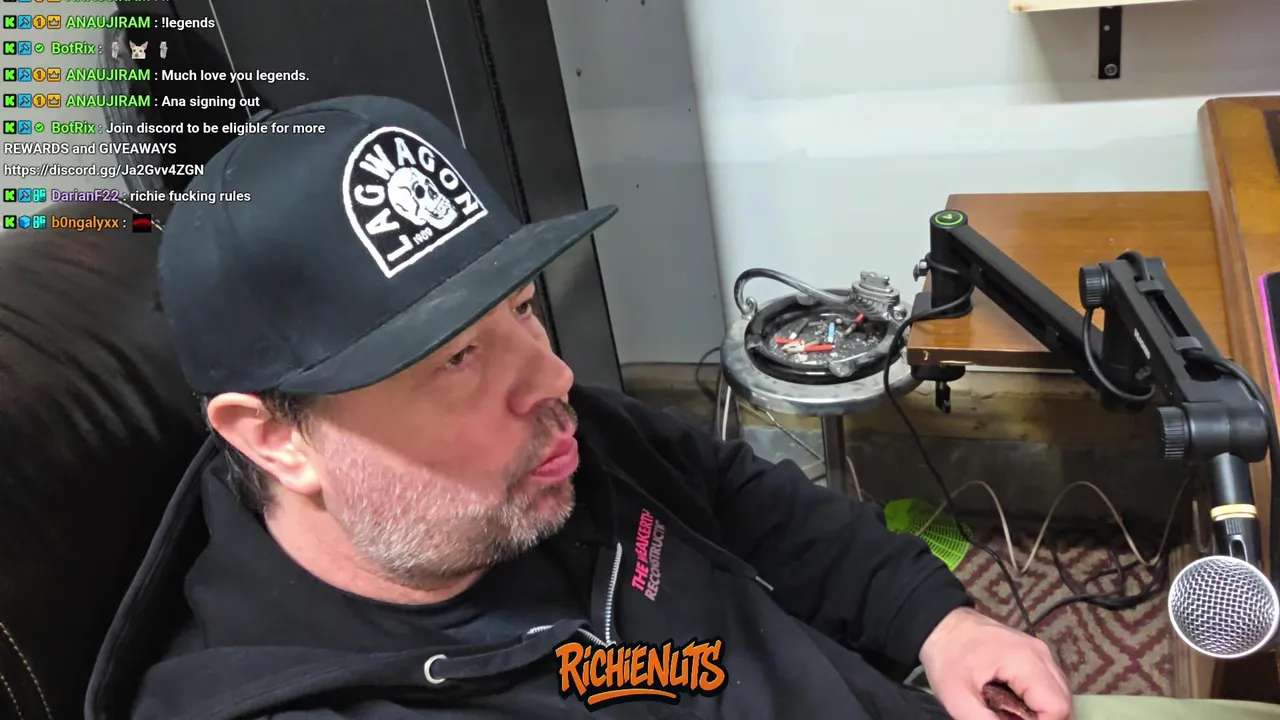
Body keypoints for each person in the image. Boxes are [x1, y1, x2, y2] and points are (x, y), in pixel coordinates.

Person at [85, 95, 1280, 720]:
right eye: (455, 360)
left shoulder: (554, 449)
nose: (550, 380)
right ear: (273, 437)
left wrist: (936, 624)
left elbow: (751, 503)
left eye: (524, 311)